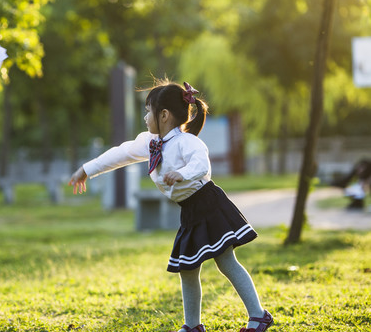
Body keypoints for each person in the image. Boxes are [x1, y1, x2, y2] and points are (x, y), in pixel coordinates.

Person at [68, 80, 273, 332]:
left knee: (226, 262)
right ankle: (193, 326)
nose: (145, 117)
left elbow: (201, 165)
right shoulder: (150, 142)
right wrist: (86, 170)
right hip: (189, 211)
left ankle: (259, 315)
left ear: (163, 115)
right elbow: (120, 153)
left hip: (208, 204)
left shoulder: (188, 142)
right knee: (187, 269)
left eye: (147, 110)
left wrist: (181, 173)